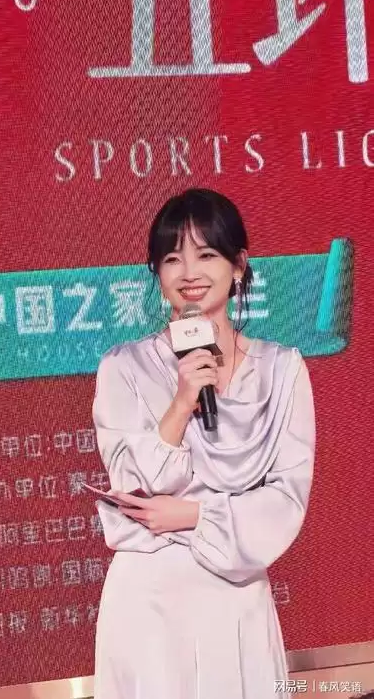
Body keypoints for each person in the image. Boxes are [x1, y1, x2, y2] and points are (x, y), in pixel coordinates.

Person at [92, 188, 316, 699]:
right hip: (149, 598)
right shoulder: (123, 368)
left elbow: (285, 499)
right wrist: (182, 400)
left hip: (235, 592)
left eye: (206, 254)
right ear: (156, 273)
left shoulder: (282, 371)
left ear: (238, 266)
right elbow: (133, 487)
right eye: (172, 258)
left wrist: (192, 515)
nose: (189, 272)